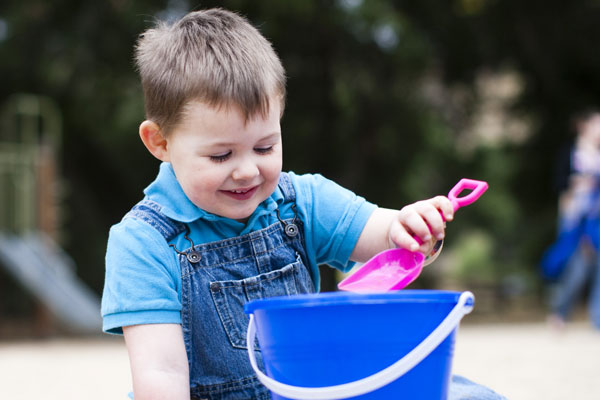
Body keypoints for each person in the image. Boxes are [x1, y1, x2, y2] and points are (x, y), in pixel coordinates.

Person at [101, 8, 506, 400]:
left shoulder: (301, 202)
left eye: (265, 146)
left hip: (312, 391)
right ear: (160, 142)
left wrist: (409, 227)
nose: (246, 171)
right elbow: (161, 373)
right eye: (221, 156)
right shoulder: (143, 243)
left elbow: (380, 236)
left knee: (469, 394)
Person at [543, 110, 600, 329]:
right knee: (576, 267)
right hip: (575, 221)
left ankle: (597, 318)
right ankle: (560, 313)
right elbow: (558, 184)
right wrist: (577, 184)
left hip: (596, 220)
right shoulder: (571, 153)